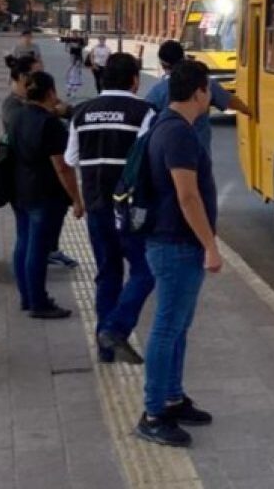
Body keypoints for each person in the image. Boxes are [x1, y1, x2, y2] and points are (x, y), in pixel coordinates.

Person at [135, 60, 221, 447]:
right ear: (199, 92)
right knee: (167, 328)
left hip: (173, 243)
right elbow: (188, 196)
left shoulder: (166, 125)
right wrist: (211, 246)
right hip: (175, 244)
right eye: (209, 90)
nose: (210, 96)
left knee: (178, 327)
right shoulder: (179, 134)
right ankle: (154, 413)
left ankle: (172, 397)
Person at [65, 53, 156, 364]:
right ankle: (115, 328)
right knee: (145, 270)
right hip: (130, 209)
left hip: (96, 206)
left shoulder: (81, 113)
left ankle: (105, 347)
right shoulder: (144, 113)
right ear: (134, 80)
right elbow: (148, 159)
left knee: (108, 273)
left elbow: (71, 159)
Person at [9, 71, 84, 319]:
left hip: (19, 190)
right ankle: (39, 302)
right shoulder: (49, 124)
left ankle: (27, 297)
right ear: (51, 92)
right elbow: (62, 167)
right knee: (38, 249)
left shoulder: (17, 115)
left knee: (23, 243)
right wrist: (76, 198)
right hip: (44, 193)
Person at [145, 40, 252, 155]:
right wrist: (250, 111)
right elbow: (230, 101)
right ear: (183, 57)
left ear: (162, 64)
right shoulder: (204, 82)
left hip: (167, 152)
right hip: (199, 152)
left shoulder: (157, 92)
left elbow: (145, 121)